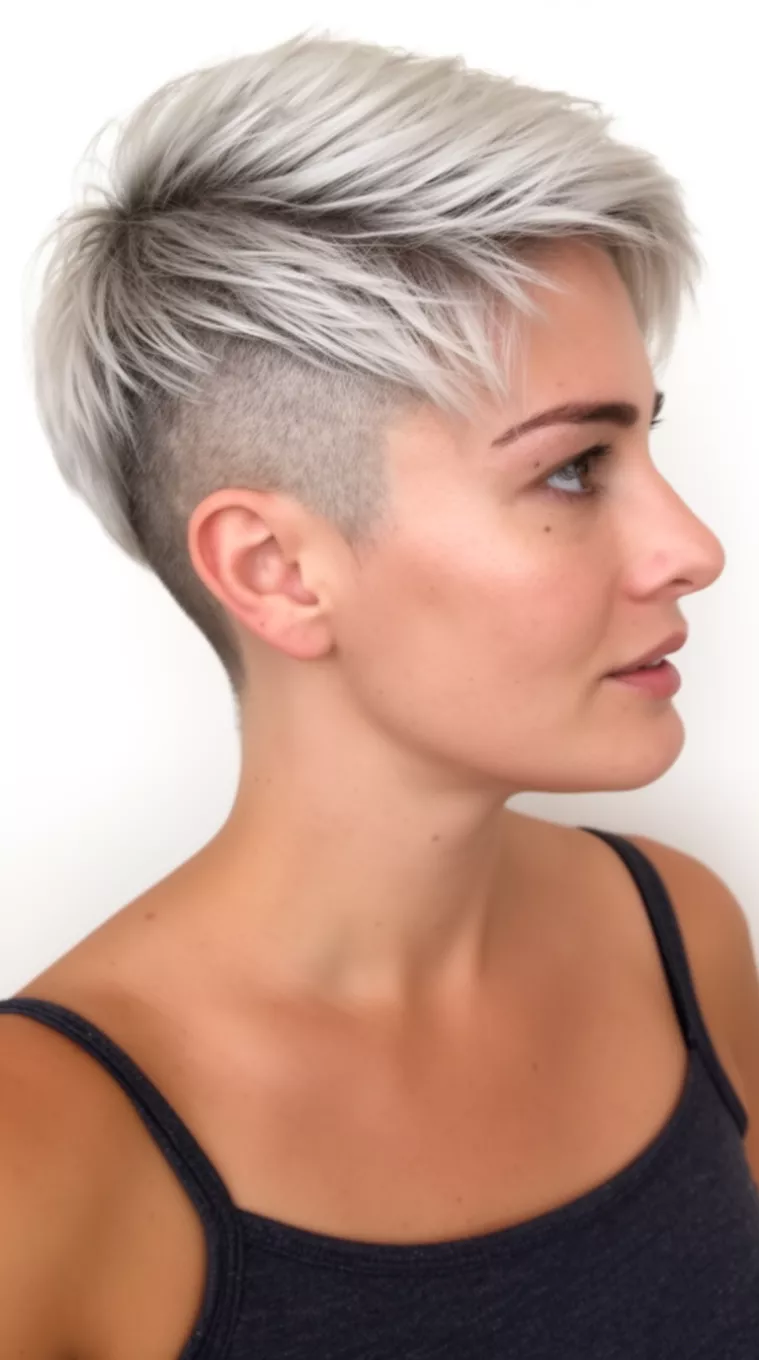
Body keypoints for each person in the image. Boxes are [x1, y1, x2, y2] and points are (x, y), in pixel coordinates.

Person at [3, 30, 759, 1360]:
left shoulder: (679, 937)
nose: (690, 545)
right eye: (574, 468)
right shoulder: (40, 1161)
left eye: (646, 434)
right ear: (278, 570)